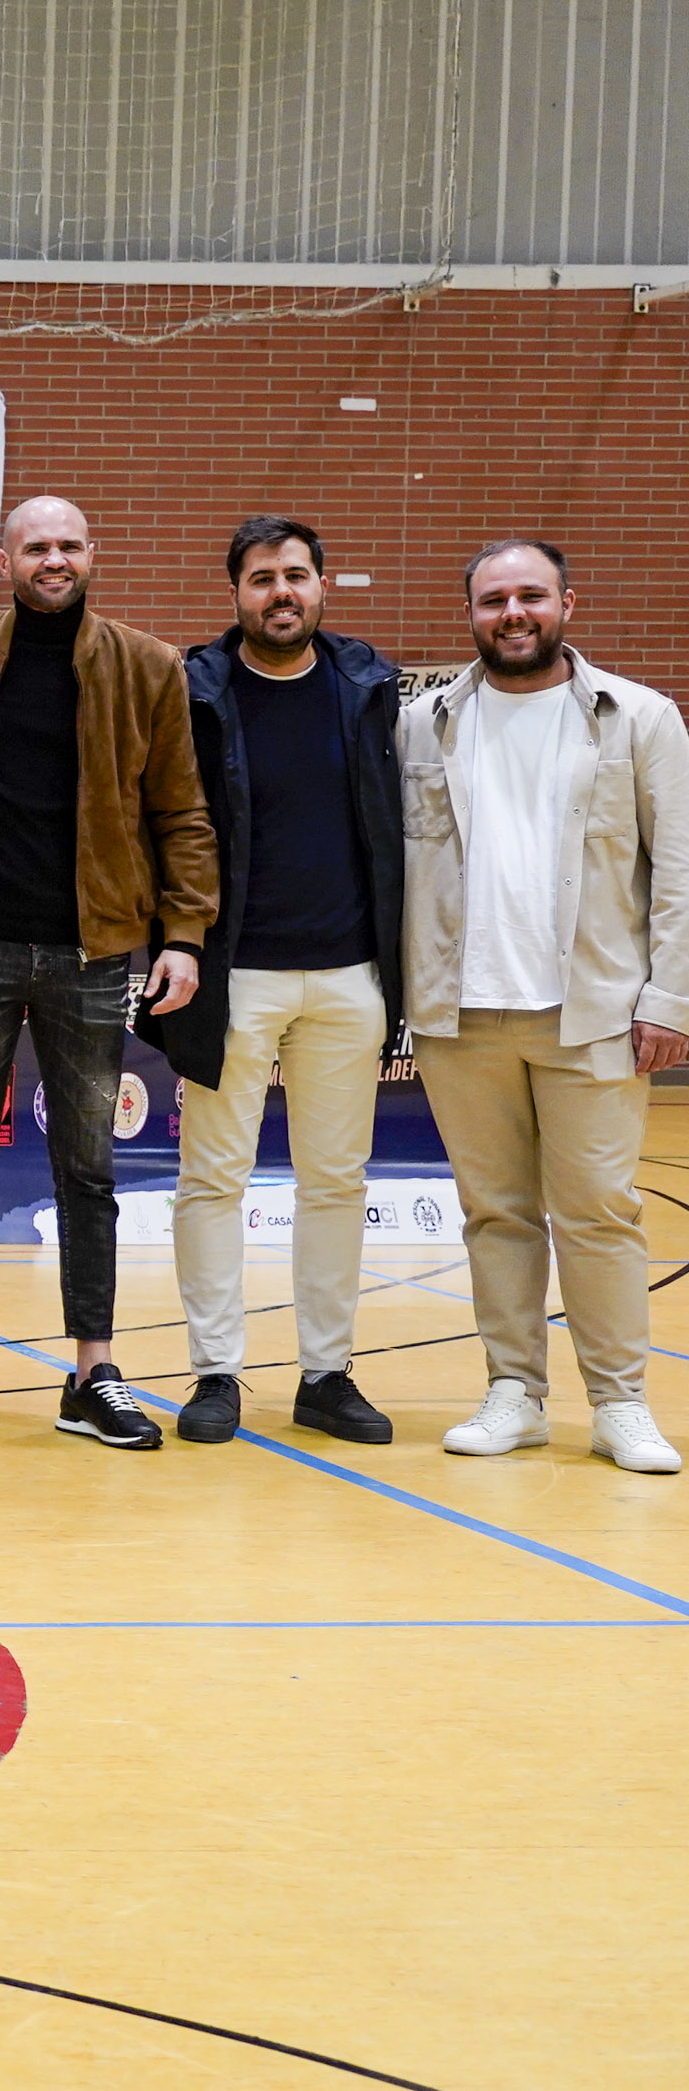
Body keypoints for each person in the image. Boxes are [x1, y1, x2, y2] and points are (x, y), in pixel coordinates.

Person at [0, 497, 216, 1449]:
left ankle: (93, 1374)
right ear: (6, 558)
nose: (54, 559)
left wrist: (184, 932)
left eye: (69, 545)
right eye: (36, 545)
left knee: (89, 1169)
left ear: (93, 554)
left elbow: (181, 809)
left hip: (94, 950)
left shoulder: (148, 664)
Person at [404, 540, 689, 1475]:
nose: (513, 613)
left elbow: (679, 872)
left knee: (600, 1211)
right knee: (495, 1213)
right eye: (494, 599)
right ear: (471, 614)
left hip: (595, 1011)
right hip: (460, 1014)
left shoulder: (641, 719)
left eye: (531, 595)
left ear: (569, 603)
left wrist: (671, 998)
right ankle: (515, 1392)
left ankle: (620, 1402)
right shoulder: (421, 726)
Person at [154, 517, 406, 1448]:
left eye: (296, 574)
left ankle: (326, 1374)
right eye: (262, 578)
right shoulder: (197, 690)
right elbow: (165, 822)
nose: (281, 592)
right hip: (232, 975)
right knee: (212, 1179)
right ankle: (215, 1371)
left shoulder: (367, 687)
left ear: (322, 585)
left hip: (348, 975)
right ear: (236, 594)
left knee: (336, 1182)